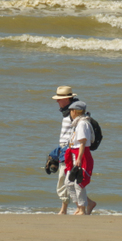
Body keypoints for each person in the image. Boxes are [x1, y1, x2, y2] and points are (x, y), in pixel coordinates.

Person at [49, 86, 96, 215]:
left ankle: (67, 209)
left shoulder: (75, 114)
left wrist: (71, 152)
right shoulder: (67, 113)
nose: (57, 101)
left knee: (66, 180)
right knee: (68, 180)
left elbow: (79, 137)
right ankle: (80, 206)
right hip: (65, 149)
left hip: (70, 150)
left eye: (59, 99)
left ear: (67, 99)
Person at [62, 101, 96, 216]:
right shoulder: (77, 123)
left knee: (78, 183)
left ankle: (82, 208)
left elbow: (82, 143)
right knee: (68, 182)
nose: (70, 114)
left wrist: (79, 159)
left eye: (71, 111)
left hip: (81, 155)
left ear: (74, 111)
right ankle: (80, 206)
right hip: (73, 154)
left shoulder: (82, 124)